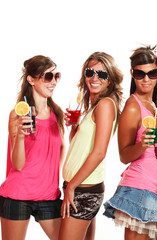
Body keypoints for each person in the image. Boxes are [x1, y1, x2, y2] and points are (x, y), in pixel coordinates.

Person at [103, 45, 157, 240]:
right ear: (132, 74)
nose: (146, 79)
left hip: (154, 190)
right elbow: (124, 155)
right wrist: (142, 144)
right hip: (138, 188)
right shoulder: (133, 107)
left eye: (152, 73)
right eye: (140, 74)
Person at [0, 55, 65, 240]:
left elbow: (61, 151)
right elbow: (17, 165)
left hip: (48, 196)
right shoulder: (17, 115)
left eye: (56, 76)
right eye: (48, 77)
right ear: (31, 79)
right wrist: (19, 136)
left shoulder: (57, 114)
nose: (53, 82)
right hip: (17, 194)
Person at [59, 52, 123, 240]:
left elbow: (99, 152)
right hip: (80, 187)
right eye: (90, 72)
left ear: (110, 80)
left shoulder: (105, 105)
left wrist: (71, 187)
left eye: (102, 74)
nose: (94, 78)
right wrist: (74, 128)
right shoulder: (94, 107)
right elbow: (79, 148)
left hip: (83, 190)